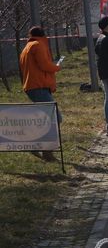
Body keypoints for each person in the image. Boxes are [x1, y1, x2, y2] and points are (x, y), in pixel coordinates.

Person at [18, 26, 61, 161]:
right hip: (39, 86)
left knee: (45, 118)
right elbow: (44, 65)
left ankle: (34, 145)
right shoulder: (38, 45)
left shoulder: (26, 47)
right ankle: (44, 150)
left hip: (32, 86)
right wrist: (57, 67)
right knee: (54, 118)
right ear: (43, 35)